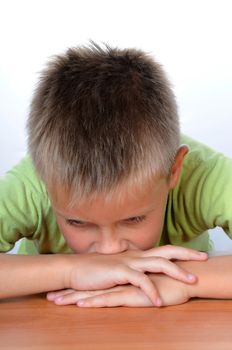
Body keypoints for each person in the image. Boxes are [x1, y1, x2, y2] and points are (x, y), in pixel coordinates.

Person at [0, 42, 232, 308]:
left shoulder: (200, 176)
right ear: (43, 178)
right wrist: (69, 270)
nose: (110, 250)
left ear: (173, 170)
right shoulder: (36, 183)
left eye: (134, 218)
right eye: (77, 222)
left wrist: (182, 281)